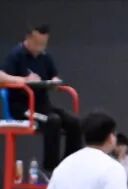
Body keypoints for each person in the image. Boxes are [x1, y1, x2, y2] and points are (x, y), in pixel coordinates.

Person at [2, 24, 81, 172]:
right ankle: (52, 167)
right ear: (28, 38)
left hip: (43, 106)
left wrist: (55, 82)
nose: (41, 47)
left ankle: (70, 165)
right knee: (53, 121)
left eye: (44, 44)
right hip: (23, 108)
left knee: (74, 122)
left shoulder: (45, 57)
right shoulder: (16, 55)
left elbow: (54, 76)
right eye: (37, 43)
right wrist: (24, 80)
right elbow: (1, 77)